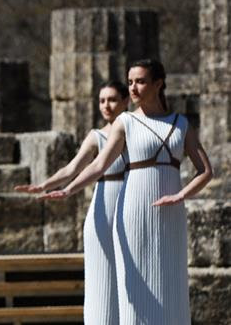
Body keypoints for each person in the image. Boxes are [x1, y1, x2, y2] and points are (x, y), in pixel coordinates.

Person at [42, 59, 213, 324]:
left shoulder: (181, 124)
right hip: (133, 211)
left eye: (141, 81)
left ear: (158, 84)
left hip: (170, 214)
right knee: (136, 288)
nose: (133, 88)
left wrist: (181, 195)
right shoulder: (126, 122)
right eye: (131, 82)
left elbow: (205, 171)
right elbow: (99, 165)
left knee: (172, 284)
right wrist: (68, 190)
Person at [15, 81, 130, 325]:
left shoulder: (136, 132)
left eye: (112, 100)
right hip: (103, 209)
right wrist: (45, 185)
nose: (106, 106)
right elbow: (72, 168)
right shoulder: (96, 136)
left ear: (125, 101)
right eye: (101, 101)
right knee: (102, 277)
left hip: (130, 206)